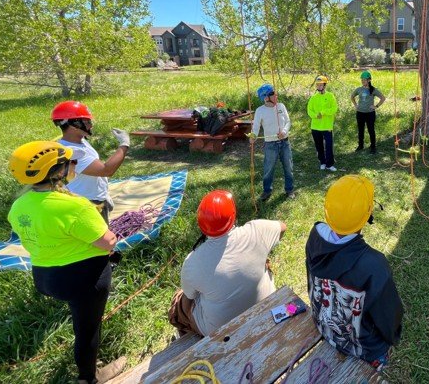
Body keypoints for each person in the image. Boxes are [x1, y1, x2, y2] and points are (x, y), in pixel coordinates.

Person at [7, 141, 123, 384]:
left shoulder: (18, 206)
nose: (73, 166)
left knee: (79, 314)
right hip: (83, 280)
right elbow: (108, 242)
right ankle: (88, 377)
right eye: (70, 163)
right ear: (57, 171)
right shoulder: (77, 206)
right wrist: (111, 235)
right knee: (87, 329)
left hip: (45, 278)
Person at [305, 175, 404, 370]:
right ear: (367, 215)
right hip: (365, 350)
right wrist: (394, 336)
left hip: (323, 327)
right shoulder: (374, 265)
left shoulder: (314, 237)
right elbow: (389, 317)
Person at [169, 190, 286, 337]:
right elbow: (283, 227)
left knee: (179, 300)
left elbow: (190, 296)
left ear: (201, 223)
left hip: (220, 331)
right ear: (233, 215)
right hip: (264, 305)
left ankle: (183, 333)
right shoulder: (258, 230)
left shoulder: (192, 262)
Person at [52, 101, 130, 222]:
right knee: (102, 239)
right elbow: (106, 170)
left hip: (93, 197)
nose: (91, 125)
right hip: (88, 203)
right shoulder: (73, 151)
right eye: (87, 122)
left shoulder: (79, 140)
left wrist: (103, 194)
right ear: (74, 125)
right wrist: (124, 144)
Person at [250, 83, 295, 201]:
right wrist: (253, 136)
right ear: (266, 98)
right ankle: (267, 191)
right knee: (268, 169)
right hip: (270, 145)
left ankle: (289, 189)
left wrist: (284, 132)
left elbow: (288, 122)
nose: (276, 95)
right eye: (273, 94)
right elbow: (255, 127)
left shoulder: (281, 106)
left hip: (284, 142)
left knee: (288, 167)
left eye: (275, 93)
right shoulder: (260, 111)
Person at [307, 75, 338, 172]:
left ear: (325, 85)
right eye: (317, 85)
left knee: (329, 146)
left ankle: (330, 164)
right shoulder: (313, 98)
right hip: (315, 127)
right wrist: (316, 115)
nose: (319, 86)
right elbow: (309, 110)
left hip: (327, 126)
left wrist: (324, 112)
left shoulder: (330, 96)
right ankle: (322, 162)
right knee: (319, 146)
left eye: (320, 85)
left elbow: (334, 109)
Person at [351, 71, 386, 154]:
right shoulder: (359, 89)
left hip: (370, 114)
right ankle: (360, 146)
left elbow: (383, 98)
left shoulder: (373, 90)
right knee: (360, 130)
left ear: (369, 80)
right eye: (362, 80)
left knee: (371, 130)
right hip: (360, 113)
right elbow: (352, 96)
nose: (363, 81)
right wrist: (355, 105)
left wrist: (376, 106)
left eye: (364, 80)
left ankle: (373, 147)